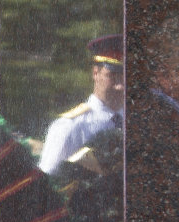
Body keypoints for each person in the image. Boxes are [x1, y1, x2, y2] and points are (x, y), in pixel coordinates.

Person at [38, 35, 124, 174]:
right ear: (95, 73)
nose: (120, 86)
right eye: (112, 76)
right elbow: (47, 181)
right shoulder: (70, 126)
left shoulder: (136, 124)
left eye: (125, 76)